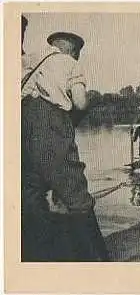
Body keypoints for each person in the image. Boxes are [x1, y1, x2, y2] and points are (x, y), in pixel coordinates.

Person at [21, 31, 109, 261]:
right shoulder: (70, 63)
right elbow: (79, 102)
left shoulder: (28, 61)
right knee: (76, 191)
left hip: (21, 126)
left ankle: (36, 258)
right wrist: (73, 121)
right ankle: (97, 259)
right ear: (73, 51)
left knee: (31, 193)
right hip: (52, 125)